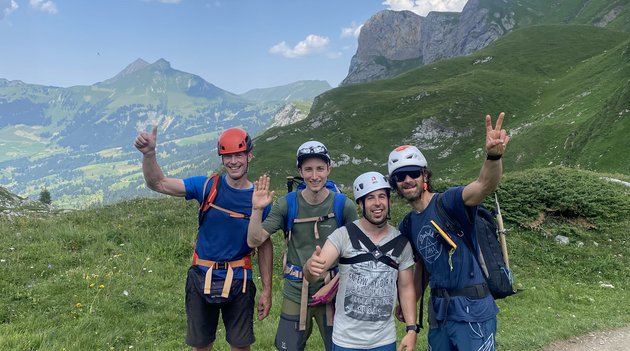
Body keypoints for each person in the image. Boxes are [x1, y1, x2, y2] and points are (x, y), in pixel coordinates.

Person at [134, 126, 273, 351]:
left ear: (249, 156)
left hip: (240, 279)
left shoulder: (260, 199)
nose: (233, 161)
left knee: (240, 346)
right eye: (227, 156)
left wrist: (267, 290)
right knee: (201, 346)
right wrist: (149, 155)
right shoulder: (207, 186)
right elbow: (158, 183)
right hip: (201, 276)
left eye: (239, 155)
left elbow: (265, 246)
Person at [388, 112, 510, 351]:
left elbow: (484, 185)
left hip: (472, 309)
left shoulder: (449, 201)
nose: (407, 180)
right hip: (439, 313)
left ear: (424, 175)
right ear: (395, 184)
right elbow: (421, 265)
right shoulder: (408, 224)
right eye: (400, 176)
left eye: (413, 172)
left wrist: (493, 157)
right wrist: (408, 302)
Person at [247, 141, 359, 351]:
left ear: (329, 169)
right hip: (296, 291)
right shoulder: (287, 204)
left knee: (342, 348)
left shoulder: (343, 205)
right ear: (300, 171)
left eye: (320, 168)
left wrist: (333, 285)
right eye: (308, 169)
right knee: (287, 347)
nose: (314, 176)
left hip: (335, 291)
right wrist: (256, 210)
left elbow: (356, 255)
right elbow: (254, 240)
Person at [304, 171, 418, 351]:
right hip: (345, 341)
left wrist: (412, 329)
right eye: (370, 198)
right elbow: (315, 271)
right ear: (360, 203)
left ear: (390, 201)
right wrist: (310, 268)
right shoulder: (343, 235)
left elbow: (406, 288)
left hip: (383, 340)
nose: (378, 203)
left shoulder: (401, 244)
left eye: (382, 196)